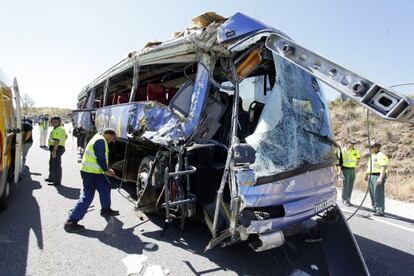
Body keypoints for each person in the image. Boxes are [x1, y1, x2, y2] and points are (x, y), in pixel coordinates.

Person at [64, 128, 119, 233]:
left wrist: (105, 170)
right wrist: (106, 170)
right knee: (88, 196)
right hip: (90, 173)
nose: (112, 141)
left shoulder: (98, 137)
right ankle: (71, 222)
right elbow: (100, 158)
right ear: (109, 135)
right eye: (112, 139)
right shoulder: (100, 141)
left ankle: (106, 210)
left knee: (106, 187)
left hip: (95, 172)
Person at [365, 141, 389, 216]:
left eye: (371, 147)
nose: (370, 148)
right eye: (369, 147)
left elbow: (383, 167)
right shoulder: (372, 155)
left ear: (376, 147)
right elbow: (369, 166)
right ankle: (375, 207)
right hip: (371, 175)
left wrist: (380, 178)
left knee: (378, 193)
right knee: (372, 192)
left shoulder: (381, 155)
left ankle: (380, 210)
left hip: (377, 176)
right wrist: (366, 175)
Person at [45, 117, 67, 186]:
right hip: (56, 148)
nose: (52, 122)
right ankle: (51, 178)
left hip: (57, 148)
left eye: (54, 121)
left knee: (56, 165)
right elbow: (66, 136)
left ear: (58, 122)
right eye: (51, 121)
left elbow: (57, 140)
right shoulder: (57, 128)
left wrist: (54, 150)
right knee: (52, 163)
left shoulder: (58, 129)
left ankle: (57, 182)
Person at [338, 139, 360, 207]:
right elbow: (339, 162)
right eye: (352, 143)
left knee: (350, 186)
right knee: (346, 185)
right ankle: (344, 199)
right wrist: (339, 171)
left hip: (352, 170)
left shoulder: (356, 151)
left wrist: (356, 166)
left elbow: (358, 158)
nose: (353, 145)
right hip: (345, 169)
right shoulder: (342, 151)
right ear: (347, 143)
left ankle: (348, 200)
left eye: (354, 144)